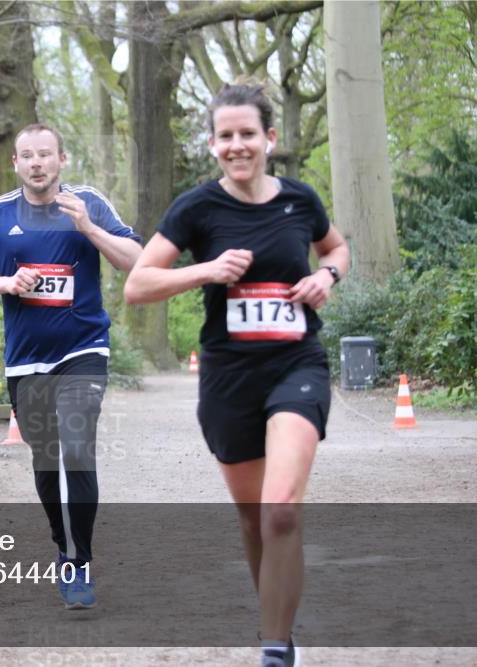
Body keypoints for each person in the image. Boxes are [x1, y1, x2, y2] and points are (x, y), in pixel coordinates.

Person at [124, 81, 349, 667]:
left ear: (270, 138)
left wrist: (327, 278)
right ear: (213, 144)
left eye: (248, 133)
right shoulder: (196, 208)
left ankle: (273, 652)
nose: (237, 144)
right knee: (255, 522)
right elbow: (138, 285)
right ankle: (281, 629)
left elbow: (336, 249)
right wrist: (205, 272)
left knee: (280, 509)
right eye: (226, 136)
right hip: (228, 377)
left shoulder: (300, 201)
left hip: (296, 364)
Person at [0, 123, 142, 609]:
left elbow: (135, 260)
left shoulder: (89, 203)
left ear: (62, 159)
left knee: (76, 447)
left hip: (84, 350)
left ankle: (79, 562)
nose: (37, 163)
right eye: (27, 156)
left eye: (45, 154)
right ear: (16, 164)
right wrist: (6, 284)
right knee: (46, 459)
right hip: (26, 363)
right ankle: (63, 543)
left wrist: (89, 229)